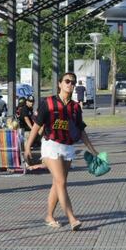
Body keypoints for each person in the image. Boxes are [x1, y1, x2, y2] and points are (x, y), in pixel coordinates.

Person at [24, 72, 99, 231]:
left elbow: (81, 130)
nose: (70, 85)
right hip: (51, 144)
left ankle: (49, 216)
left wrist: (93, 151)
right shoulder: (48, 103)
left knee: (57, 183)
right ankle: (72, 218)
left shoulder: (75, 107)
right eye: (67, 81)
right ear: (59, 84)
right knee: (61, 182)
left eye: (73, 82)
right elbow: (37, 125)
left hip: (67, 146)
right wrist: (27, 146)